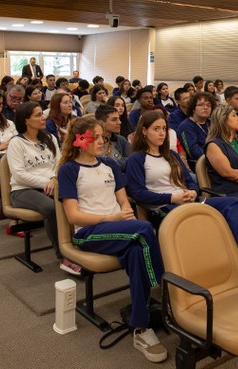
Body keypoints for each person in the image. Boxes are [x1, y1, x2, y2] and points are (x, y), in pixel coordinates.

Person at [57, 116, 167, 363]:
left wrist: (125, 213)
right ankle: (167, 291)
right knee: (145, 229)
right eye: (95, 137)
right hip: (88, 233)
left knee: (137, 252)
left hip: (119, 227)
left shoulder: (109, 165)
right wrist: (112, 218)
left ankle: (140, 327)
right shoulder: (68, 170)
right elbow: (73, 215)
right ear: (79, 140)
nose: (101, 141)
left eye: (102, 137)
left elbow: (124, 200)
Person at [125, 110, 238, 266]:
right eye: (156, 129)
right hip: (164, 207)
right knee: (201, 219)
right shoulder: (136, 159)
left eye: (164, 129)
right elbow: (138, 194)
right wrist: (172, 198)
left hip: (187, 200)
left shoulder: (172, 155)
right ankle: (208, 264)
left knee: (233, 203)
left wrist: (193, 191)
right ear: (144, 131)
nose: (162, 133)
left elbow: (190, 181)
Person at [7, 101, 77, 273]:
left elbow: (59, 163)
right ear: (26, 120)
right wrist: (46, 182)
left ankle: (80, 244)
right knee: (52, 208)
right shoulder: (16, 143)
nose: (43, 117)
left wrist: (54, 179)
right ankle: (63, 255)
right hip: (23, 190)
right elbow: (19, 175)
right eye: (38, 115)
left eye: (42, 114)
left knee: (76, 199)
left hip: (51, 185)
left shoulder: (50, 138)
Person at [204, 104, 238, 197]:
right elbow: (227, 173)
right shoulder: (213, 145)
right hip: (229, 190)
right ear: (223, 120)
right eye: (234, 115)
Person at [178, 91, 217, 171]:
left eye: (208, 105)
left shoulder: (212, 123)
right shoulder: (186, 126)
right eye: (201, 105)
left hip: (217, 162)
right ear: (193, 108)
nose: (205, 107)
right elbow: (193, 152)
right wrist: (217, 157)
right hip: (200, 167)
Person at [96, 104, 131, 172]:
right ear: (101, 123)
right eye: (114, 120)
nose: (119, 122)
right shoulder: (92, 142)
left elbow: (132, 158)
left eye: (119, 119)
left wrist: (112, 164)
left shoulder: (121, 140)